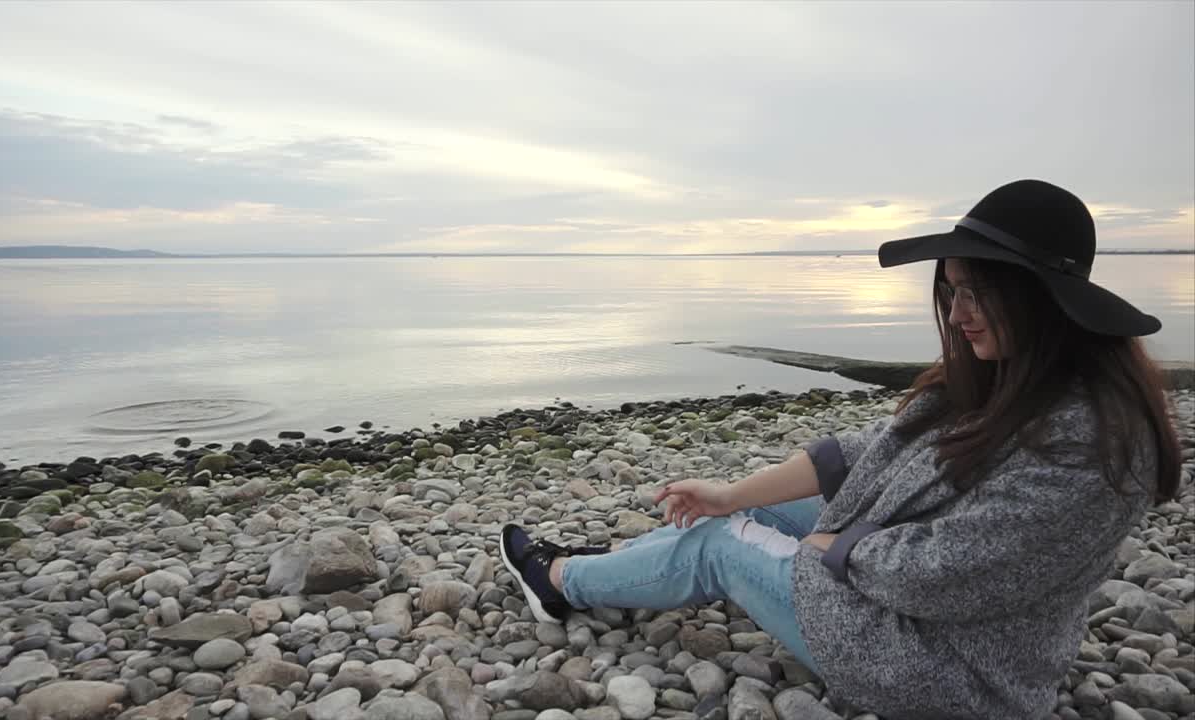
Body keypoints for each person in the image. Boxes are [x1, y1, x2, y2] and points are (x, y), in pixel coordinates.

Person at [498, 179, 1181, 720]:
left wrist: (836, 549)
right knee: (733, 518)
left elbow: (954, 572)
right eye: (953, 289)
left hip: (955, 671)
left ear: (1042, 298)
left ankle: (557, 583)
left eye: (980, 290)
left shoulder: (1092, 442)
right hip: (917, 608)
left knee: (721, 545)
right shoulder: (1008, 378)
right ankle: (614, 568)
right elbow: (867, 451)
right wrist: (733, 493)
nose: (960, 309)